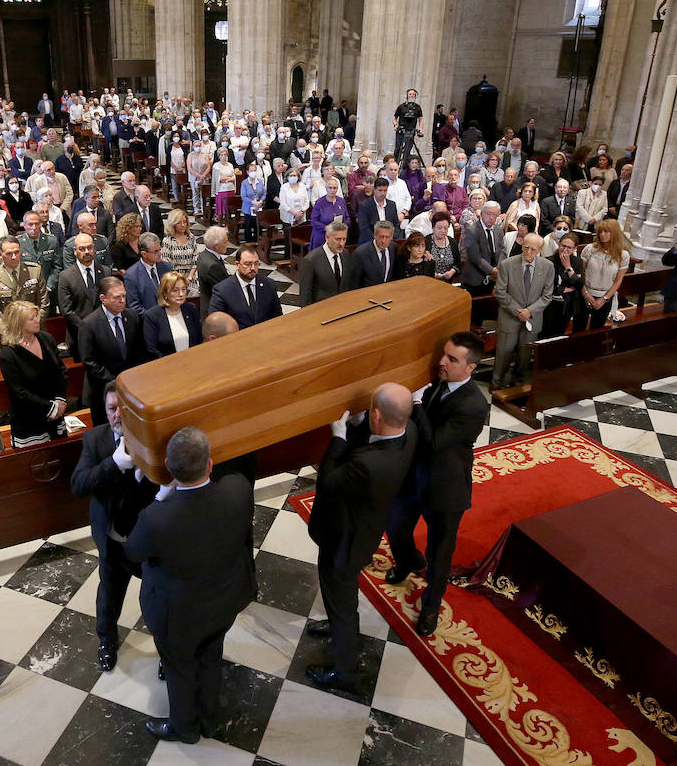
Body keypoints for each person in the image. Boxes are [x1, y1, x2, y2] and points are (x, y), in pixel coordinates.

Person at [125, 427, 257, 744]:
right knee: (211, 656)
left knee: (180, 667)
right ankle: (209, 720)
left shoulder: (157, 518)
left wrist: (159, 498)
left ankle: (185, 727)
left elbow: (133, 552)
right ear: (210, 464)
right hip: (224, 600)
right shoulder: (239, 489)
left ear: (169, 470)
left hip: (178, 613)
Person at [304, 386, 416, 691]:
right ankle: (337, 625)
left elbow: (327, 481)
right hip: (366, 529)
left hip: (345, 542)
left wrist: (338, 437)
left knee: (341, 601)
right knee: (338, 597)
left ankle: (345, 672)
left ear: (376, 415)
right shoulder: (410, 433)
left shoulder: (368, 465)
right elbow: (369, 444)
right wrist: (355, 427)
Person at [384, 332, 489, 636]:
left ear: (470, 368)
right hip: (414, 475)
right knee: (396, 527)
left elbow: (433, 442)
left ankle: (430, 607)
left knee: (439, 553)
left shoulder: (473, 405)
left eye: (452, 359)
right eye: (444, 354)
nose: (442, 362)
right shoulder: (439, 385)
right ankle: (406, 561)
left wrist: (416, 403)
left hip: (445, 486)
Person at [71, 382, 160, 673]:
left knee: (159, 602)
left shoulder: (153, 437)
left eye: (123, 410)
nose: (118, 416)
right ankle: (107, 642)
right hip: (112, 539)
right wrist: (113, 463)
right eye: (112, 409)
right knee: (109, 596)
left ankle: (168, 653)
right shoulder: (95, 440)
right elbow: (79, 485)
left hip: (147, 541)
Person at [0, 300, 69, 447]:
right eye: (32, 318)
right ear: (18, 323)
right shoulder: (8, 353)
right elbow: (19, 392)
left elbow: (61, 371)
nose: (38, 320)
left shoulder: (46, 339)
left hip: (56, 411)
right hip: (29, 418)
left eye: (36, 316)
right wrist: (50, 408)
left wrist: (60, 400)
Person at [78, 277, 148, 423]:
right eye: (117, 297)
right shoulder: (89, 325)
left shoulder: (132, 316)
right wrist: (115, 382)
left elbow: (140, 352)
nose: (122, 300)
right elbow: (89, 362)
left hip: (131, 389)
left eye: (124, 296)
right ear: (103, 299)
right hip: (102, 392)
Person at [492, 234, 554, 388]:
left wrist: (529, 311)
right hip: (509, 317)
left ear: (540, 250)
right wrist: (518, 311)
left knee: (525, 355)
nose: (528, 252)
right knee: (503, 354)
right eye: (526, 247)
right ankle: (496, 382)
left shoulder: (547, 267)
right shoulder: (507, 264)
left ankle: (518, 383)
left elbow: (547, 296)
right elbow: (500, 292)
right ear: (522, 246)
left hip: (531, 319)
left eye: (533, 249)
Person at [57, 232, 111, 359]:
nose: (86, 251)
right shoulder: (66, 276)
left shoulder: (105, 272)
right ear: (75, 251)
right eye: (82, 248)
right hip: (79, 335)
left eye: (89, 247)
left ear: (94, 248)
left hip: (105, 333)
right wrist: (87, 329)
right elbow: (67, 311)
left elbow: (109, 303)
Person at [0, 235, 48, 332]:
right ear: (0, 255)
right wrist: (11, 330)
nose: (14, 257)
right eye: (9, 253)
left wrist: (31, 324)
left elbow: (44, 305)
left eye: (17, 252)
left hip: (34, 331)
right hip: (7, 334)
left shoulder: (34, 271)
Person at [209, 244, 283, 327]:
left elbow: (278, 317)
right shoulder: (222, 290)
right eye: (248, 264)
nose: (253, 268)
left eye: (256, 264)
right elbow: (216, 325)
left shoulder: (269, 284)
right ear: (237, 264)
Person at [576, 219, 630, 330]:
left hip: (605, 297)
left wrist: (604, 299)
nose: (602, 235)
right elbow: (580, 273)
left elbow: (618, 281)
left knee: (596, 331)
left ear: (614, 233)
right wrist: (586, 295)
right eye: (600, 232)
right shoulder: (590, 249)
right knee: (578, 329)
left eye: (606, 231)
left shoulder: (623, 255)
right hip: (584, 294)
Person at [143, 272, 203, 357]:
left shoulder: (191, 309)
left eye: (183, 289)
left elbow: (199, 340)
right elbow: (152, 350)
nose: (181, 294)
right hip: (166, 366)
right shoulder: (152, 316)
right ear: (165, 293)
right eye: (175, 290)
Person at [541, 234, 584, 338]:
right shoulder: (548, 261)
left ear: (574, 249)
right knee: (545, 333)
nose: (565, 250)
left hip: (567, 304)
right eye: (563, 246)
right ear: (558, 244)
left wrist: (568, 267)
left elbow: (579, 285)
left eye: (569, 247)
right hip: (549, 304)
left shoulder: (577, 262)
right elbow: (546, 286)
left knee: (559, 334)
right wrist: (565, 288)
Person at [461, 201, 505, 294]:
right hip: (476, 278)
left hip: (495, 276)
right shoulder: (472, 231)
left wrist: (499, 269)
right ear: (481, 214)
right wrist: (493, 271)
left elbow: (502, 251)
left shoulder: (498, 230)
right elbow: (476, 258)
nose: (491, 217)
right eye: (488, 214)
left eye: (495, 214)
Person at [299, 220, 349, 304]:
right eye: (338, 239)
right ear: (327, 237)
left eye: (344, 239)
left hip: (342, 305)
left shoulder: (345, 254)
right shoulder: (310, 260)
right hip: (321, 308)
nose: (341, 243)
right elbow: (305, 294)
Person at [124, 233, 174, 312]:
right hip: (147, 321)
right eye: (155, 251)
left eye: (160, 249)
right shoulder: (131, 275)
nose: (160, 253)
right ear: (144, 254)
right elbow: (134, 306)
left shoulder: (167, 267)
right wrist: (154, 318)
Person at [161, 209, 198, 295]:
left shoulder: (191, 237)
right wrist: (180, 280)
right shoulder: (168, 240)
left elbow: (195, 259)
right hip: (174, 279)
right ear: (173, 224)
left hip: (191, 278)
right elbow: (166, 263)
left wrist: (189, 278)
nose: (183, 225)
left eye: (184, 222)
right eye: (179, 223)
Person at [356, 177, 401, 245]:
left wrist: (390, 238)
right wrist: (378, 240)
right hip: (369, 242)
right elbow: (364, 227)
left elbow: (396, 225)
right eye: (380, 190)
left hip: (389, 242)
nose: (383, 193)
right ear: (374, 190)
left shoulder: (391, 205)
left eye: (385, 190)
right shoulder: (365, 206)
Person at [196, 226, 230, 317]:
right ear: (216, 246)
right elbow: (225, 289)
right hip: (215, 312)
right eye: (225, 241)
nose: (228, 244)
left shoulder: (203, 254)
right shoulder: (213, 266)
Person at [308, 176, 348, 250]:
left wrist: (342, 227)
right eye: (330, 188)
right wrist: (326, 228)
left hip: (337, 235)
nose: (332, 190)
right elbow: (314, 221)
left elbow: (347, 218)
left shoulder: (341, 201)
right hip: (322, 235)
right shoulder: (319, 202)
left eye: (335, 188)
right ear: (326, 189)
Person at [426, 212, 461, 282]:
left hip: (448, 281)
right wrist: (432, 274)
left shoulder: (452, 242)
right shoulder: (426, 241)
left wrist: (452, 271)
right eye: (439, 228)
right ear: (433, 227)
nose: (443, 231)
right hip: (429, 281)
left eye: (446, 228)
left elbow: (458, 263)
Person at [393, 88, 424, 163]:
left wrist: (420, 128)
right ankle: (395, 163)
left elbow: (421, 118)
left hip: (411, 131)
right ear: (407, 95)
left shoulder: (418, 107)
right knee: (398, 148)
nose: (412, 96)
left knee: (408, 149)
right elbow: (395, 117)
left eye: (413, 94)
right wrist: (395, 125)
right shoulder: (401, 106)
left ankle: (405, 165)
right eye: (410, 94)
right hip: (401, 130)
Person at [239, 165, 266, 243]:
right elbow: (243, 196)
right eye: (251, 171)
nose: (253, 172)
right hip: (248, 207)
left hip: (259, 207)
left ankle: (257, 241)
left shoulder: (260, 181)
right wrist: (253, 202)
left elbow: (264, 193)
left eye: (255, 170)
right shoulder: (244, 183)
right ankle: (249, 242)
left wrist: (261, 201)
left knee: (257, 225)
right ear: (247, 172)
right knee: (248, 225)